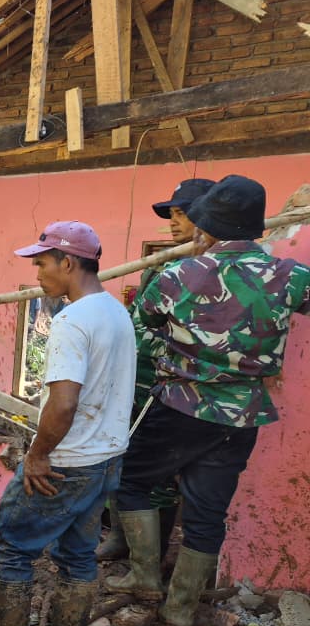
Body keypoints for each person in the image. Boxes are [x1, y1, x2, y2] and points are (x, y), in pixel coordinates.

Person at [109, 175, 310, 626]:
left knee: (133, 481)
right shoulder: (292, 277)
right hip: (243, 415)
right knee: (207, 513)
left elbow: (148, 320)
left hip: (182, 405)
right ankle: (180, 611)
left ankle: (144, 579)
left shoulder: (178, 274)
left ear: (207, 227)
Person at [0, 222, 135, 626]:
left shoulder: (71, 321)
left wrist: (37, 455)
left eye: (41, 263)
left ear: (68, 262)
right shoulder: (116, 312)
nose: (38, 273)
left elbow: (62, 405)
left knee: (10, 549)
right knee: (78, 555)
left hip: (66, 461)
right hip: (106, 457)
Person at [97, 178, 214, 562]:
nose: (174, 222)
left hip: (169, 388)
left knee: (156, 476)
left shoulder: (212, 272)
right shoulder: (164, 265)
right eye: (173, 214)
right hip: (133, 378)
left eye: (183, 213)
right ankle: (119, 538)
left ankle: (149, 558)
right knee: (118, 456)